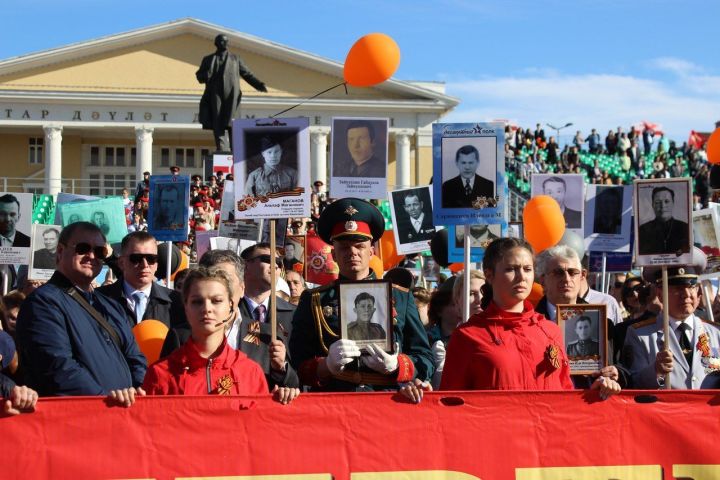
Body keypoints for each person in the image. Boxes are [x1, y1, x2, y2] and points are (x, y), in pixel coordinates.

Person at [431, 238, 619, 400]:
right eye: (511, 269)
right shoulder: (468, 335)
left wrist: (594, 392)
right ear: (489, 275)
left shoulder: (550, 329)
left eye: (527, 269)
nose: (522, 277)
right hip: (497, 439)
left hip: (548, 438)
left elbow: (565, 392)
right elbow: (452, 403)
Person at [289, 198, 434, 392]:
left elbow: (424, 358)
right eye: (344, 247)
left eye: (359, 246)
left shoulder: (400, 297)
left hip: (384, 401)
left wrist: (397, 365)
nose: (352, 252)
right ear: (333, 254)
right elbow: (297, 362)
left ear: (372, 251)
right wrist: (326, 366)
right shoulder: (314, 299)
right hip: (336, 400)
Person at [15, 222, 146, 405]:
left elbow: (135, 358)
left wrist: (140, 391)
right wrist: (106, 402)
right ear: (60, 251)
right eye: (83, 248)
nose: (91, 256)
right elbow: (58, 369)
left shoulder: (111, 307)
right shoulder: (42, 303)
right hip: (79, 421)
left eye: (100, 252)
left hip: (124, 417)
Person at [143, 267, 298, 403]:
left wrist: (283, 399)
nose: (207, 309)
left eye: (216, 301)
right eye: (197, 302)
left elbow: (259, 429)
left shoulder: (250, 372)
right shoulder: (160, 373)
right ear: (186, 306)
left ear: (230, 306)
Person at [623, 252, 720, 389]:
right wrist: (655, 371)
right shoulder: (640, 335)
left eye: (691, 286)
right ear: (660, 295)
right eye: (678, 288)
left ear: (699, 293)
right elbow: (632, 382)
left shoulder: (716, 333)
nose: (686, 295)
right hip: (664, 409)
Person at [96, 231, 187, 329]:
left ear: (157, 264)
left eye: (151, 258)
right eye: (136, 258)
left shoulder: (176, 302)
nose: (145, 265)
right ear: (121, 263)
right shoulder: (98, 300)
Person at [196, 34, 267, 152]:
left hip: (231, 97)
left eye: (226, 41)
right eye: (221, 41)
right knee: (217, 123)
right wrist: (206, 74)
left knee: (232, 124)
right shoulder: (208, 59)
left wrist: (258, 85)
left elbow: (247, 74)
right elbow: (199, 76)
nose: (224, 43)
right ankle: (222, 149)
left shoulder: (236, 59)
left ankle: (235, 151)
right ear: (216, 43)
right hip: (215, 96)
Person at [638, 186, 690, 255]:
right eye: (657, 202)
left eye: (667, 201)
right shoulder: (643, 230)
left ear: (673, 203)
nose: (662, 206)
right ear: (652, 205)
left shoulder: (685, 227)